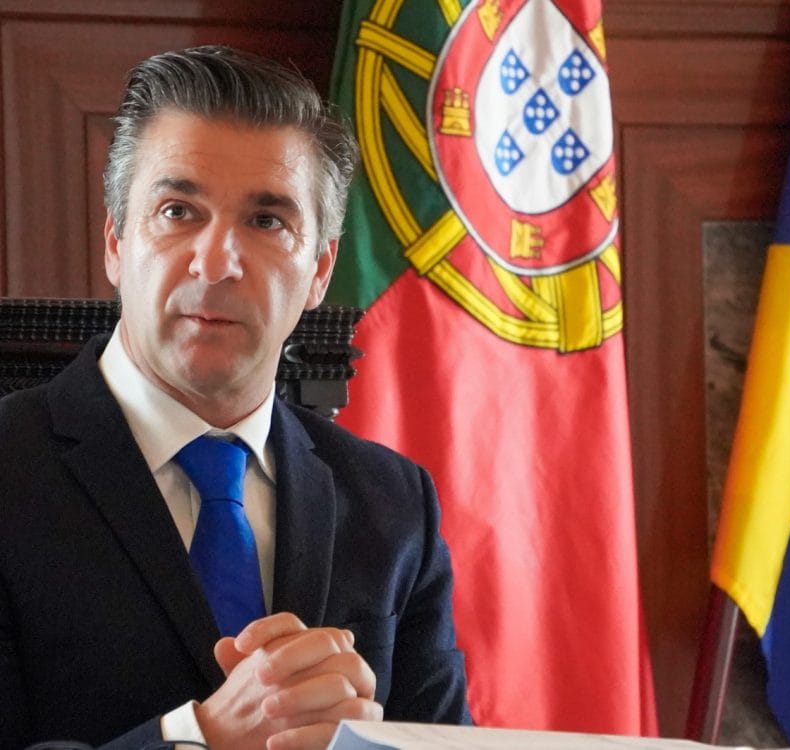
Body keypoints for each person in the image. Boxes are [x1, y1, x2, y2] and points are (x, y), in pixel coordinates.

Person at [0, 46, 471, 749]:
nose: (217, 262)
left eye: (267, 221)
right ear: (116, 243)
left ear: (320, 271)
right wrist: (205, 736)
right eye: (177, 211)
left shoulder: (393, 502)